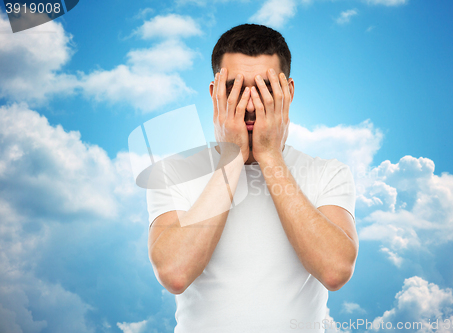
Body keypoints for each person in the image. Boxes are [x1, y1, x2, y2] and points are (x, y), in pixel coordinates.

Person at [146, 24, 358, 332]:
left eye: (264, 89)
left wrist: (270, 156)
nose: (249, 106)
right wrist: (231, 158)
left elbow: (335, 271)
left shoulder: (328, 173)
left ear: (289, 92)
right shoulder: (172, 173)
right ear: (214, 92)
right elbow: (175, 274)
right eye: (234, 88)